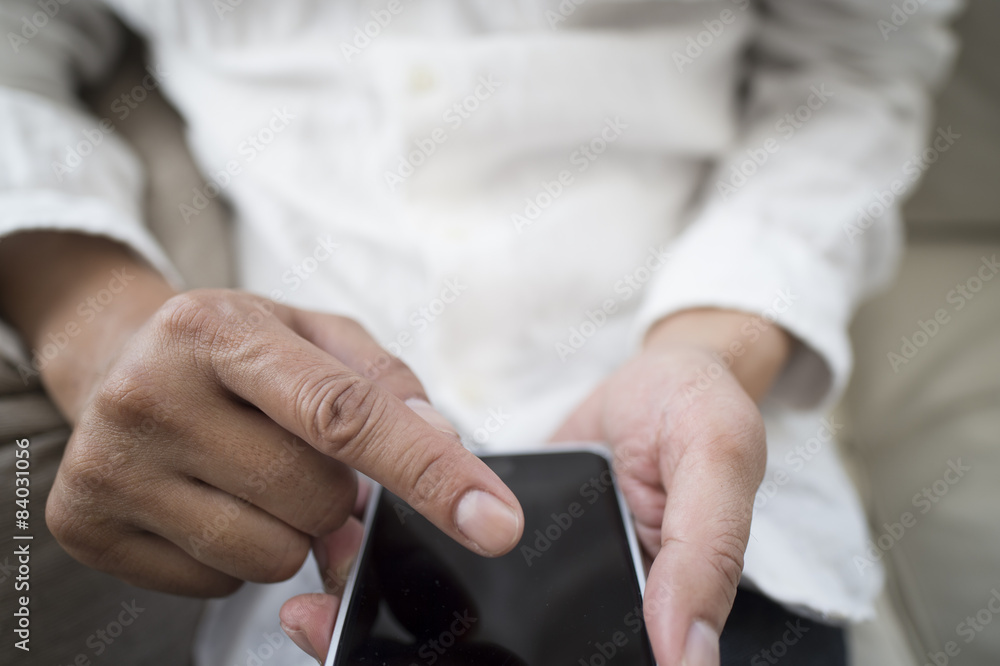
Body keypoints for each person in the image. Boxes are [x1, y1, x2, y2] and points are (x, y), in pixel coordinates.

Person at [0, 0, 961, 664]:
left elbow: (859, 59)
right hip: (309, 519)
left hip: (708, 490)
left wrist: (710, 345)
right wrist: (104, 332)